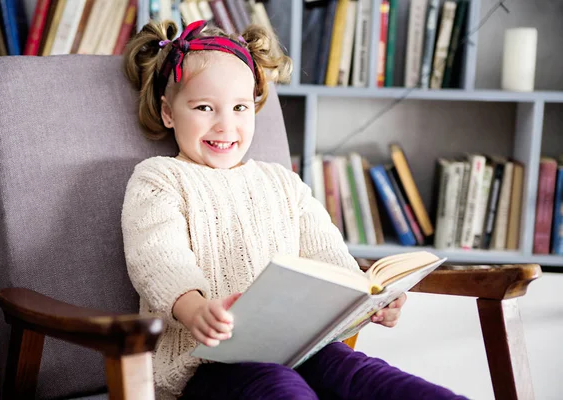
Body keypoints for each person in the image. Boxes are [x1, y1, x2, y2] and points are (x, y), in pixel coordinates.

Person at [121, 19, 467, 400]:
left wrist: (371, 301)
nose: (226, 125)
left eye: (239, 107)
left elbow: (329, 257)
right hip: (205, 368)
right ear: (169, 112)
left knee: (367, 377)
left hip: (303, 349)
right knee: (278, 387)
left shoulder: (284, 183)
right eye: (204, 107)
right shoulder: (159, 178)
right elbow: (157, 259)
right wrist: (194, 308)